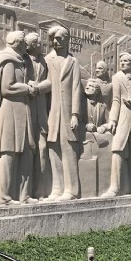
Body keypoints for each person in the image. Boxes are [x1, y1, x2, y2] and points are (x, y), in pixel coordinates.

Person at [0, 31, 38, 205]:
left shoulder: (22, 60)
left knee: (27, 152)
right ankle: (4, 197)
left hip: (23, 110)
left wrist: (30, 84)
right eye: (24, 42)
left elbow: (23, 82)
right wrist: (27, 88)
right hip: (10, 110)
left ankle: (24, 194)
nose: (27, 45)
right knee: (8, 153)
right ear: (17, 42)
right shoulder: (8, 59)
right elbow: (6, 88)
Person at [44, 26, 83, 200]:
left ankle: (72, 190)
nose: (55, 42)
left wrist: (75, 114)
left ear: (67, 39)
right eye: (53, 39)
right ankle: (57, 189)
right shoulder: (47, 60)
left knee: (68, 150)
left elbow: (76, 89)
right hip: (52, 111)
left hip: (67, 113)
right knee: (53, 148)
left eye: (59, 38)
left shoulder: (73, 62)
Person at [102, 52, 131, 197]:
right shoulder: (116, 78)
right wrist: (112, 120)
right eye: (121, 61)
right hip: (122, 117)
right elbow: (116, 100)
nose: (123, 63)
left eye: (126, 61)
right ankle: (115, 187)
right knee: (117, 149)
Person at [25, 32, 51, 198]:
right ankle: (24, 193)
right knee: (28, 148)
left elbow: (52, 81)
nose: (41, 45)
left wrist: (39, 87)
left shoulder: (45, 61)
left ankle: (40, 191)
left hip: (41, 108)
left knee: (42, 148)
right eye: (38, 43)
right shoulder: (21, 59)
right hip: (25, 108)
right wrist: (28, 85)